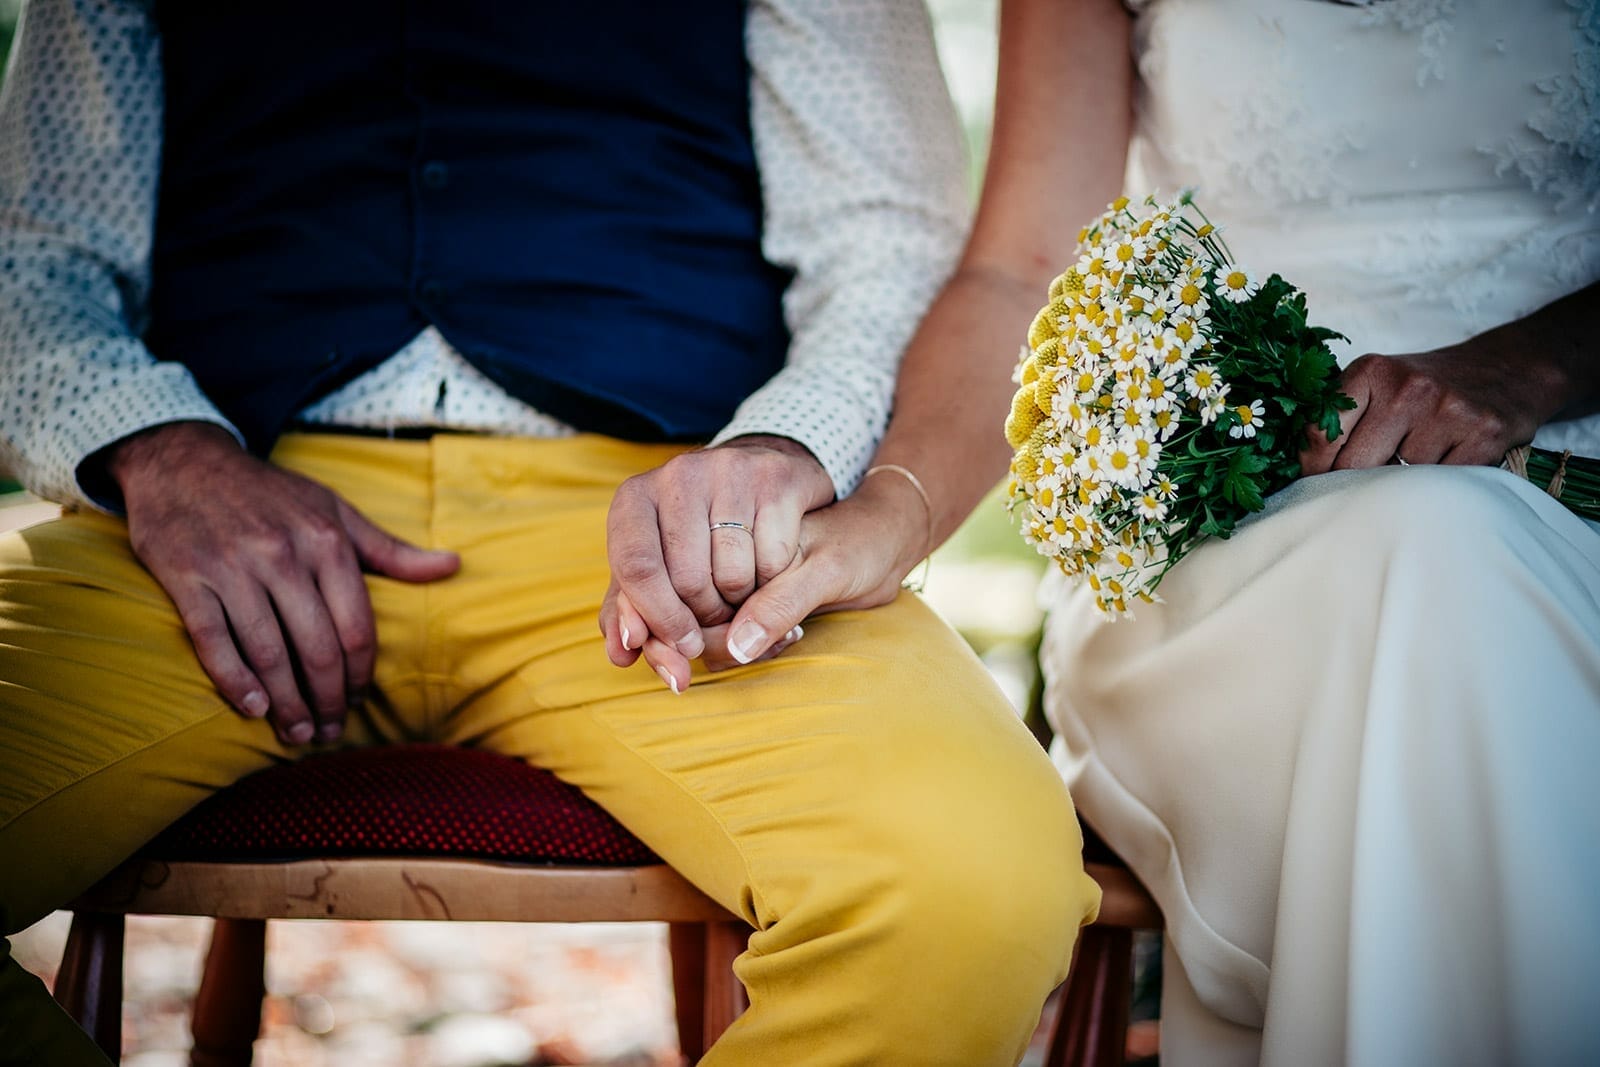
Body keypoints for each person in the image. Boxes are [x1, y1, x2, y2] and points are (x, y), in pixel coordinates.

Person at [0, 2, 1102, 1063]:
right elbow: (33, 258)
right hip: (213, 516)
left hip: (655, 526)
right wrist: (160, 452)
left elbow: (885, 245)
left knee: (970, 880)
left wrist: (779, 449)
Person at [613, 0, 1600, 1063]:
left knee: (1446, 572)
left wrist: (1531, 366)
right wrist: (888, 515)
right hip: (1203, 552)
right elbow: (1021, 269)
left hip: (1569, 481)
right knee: (1434, 563)